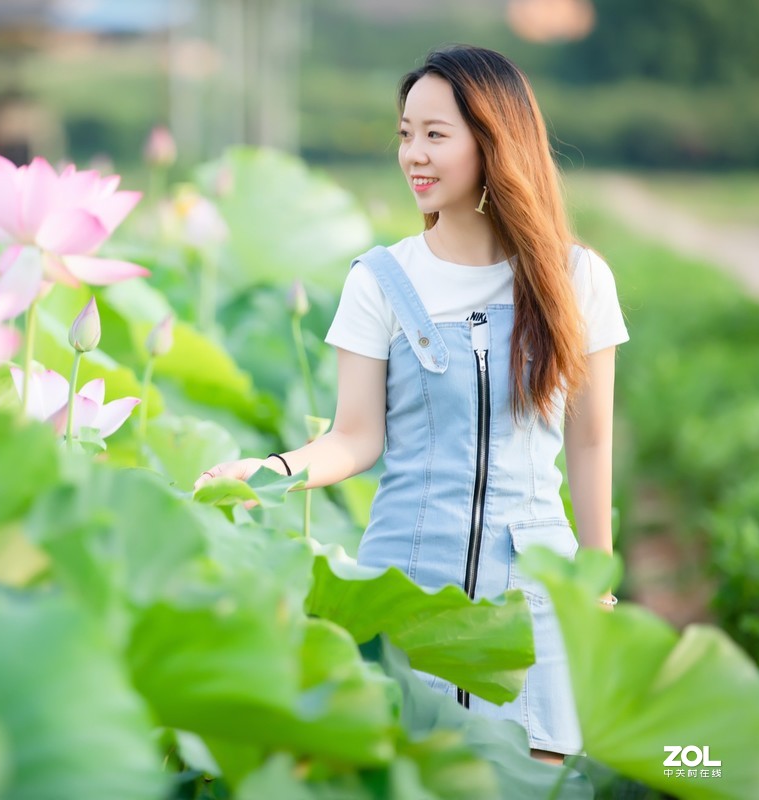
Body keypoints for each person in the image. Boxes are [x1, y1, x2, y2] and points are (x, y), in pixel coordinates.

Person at [194, 44, 629, 764]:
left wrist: (599, 586)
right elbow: (354, 438)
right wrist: (270, 468)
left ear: (493, 141)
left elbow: (590, 444)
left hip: (538, 589)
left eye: (435, 134)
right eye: (405, 134)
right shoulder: (382, 279)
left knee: (539, 774)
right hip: (403, 582)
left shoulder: (577, 277)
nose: (413, 155)